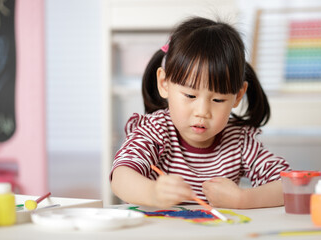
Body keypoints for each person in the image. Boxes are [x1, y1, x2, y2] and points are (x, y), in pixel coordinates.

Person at [110, 16, 291, 209]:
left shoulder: (238, 141)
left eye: (218, 100)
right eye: (190, 95)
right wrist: (153, 193)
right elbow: (121, 177)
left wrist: (243, 199)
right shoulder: (156, 131)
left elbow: (290, 185)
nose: (203, 112)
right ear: (164, 84)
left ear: (238, 96)